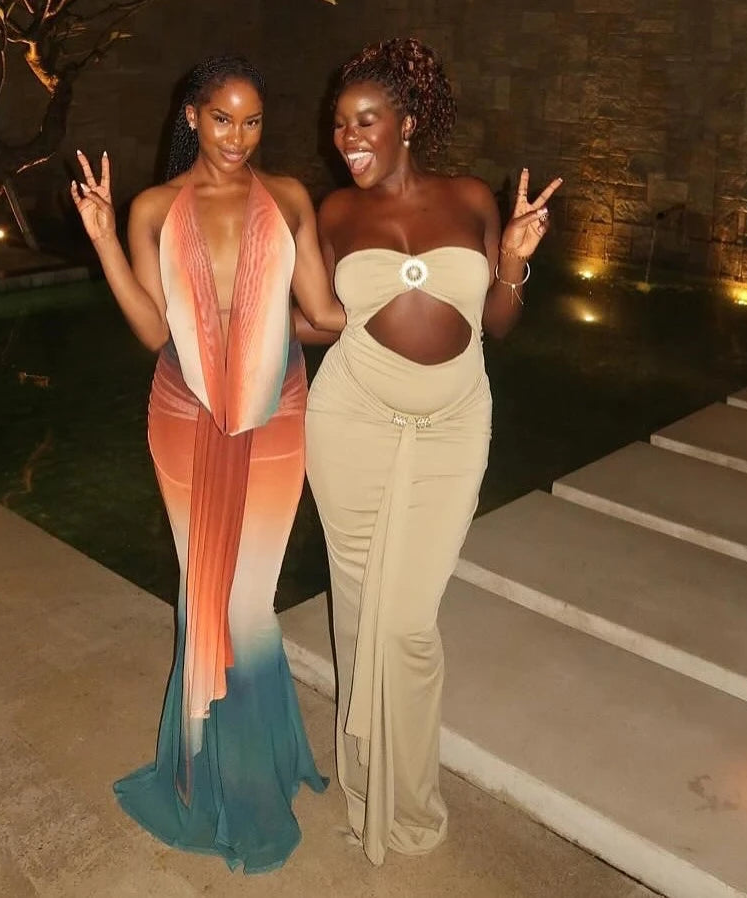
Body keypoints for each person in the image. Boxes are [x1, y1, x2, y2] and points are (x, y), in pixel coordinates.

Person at [70, 54, 345, 873]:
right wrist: (102, 238)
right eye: (222, 118)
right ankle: (204, 771)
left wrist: (401, 292)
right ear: (191, 116)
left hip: (275, 415)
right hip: (185, 417)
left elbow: (324, 314)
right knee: (205, 596)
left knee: (250, 606)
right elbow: (157, 331)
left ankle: (251, 773)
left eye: (253, 119)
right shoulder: (154, 208)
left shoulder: (290, 197)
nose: (238, 135)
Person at [305, 37, 562, 866]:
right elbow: (313, 318)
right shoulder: (334, 215)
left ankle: (408, 803)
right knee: (357, 615)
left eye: (366, 119)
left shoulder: (471, 199)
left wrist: (516, 262)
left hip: (452, 426)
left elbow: (497, 322)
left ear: (407, 124)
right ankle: (362, 789)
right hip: (351, 421)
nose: (348, 137)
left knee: (407, 623)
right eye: (340, 123)